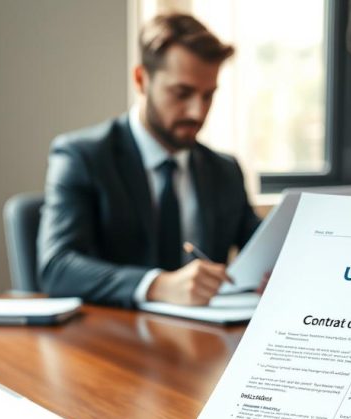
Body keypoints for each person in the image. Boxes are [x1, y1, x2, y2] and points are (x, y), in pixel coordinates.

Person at [37, 13, 260, 308]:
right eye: (182, 93)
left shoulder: (225, 170)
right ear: (141, 80)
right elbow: (57, 267)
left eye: (208, 96)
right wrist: (158, 285)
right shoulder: (82, 156)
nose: (198, 111)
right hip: (113, 340)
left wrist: (275, 273)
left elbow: (261, 251)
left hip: (207, 341)